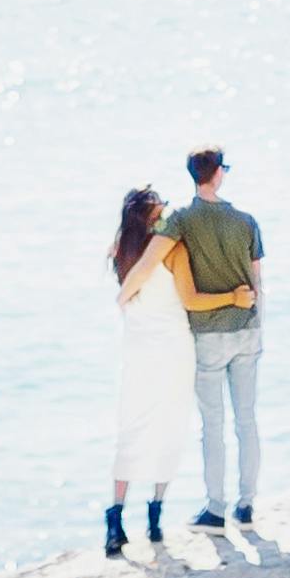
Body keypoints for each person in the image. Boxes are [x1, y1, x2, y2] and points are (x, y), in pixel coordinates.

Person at [165, 147, 263, 531]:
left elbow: (156, 244)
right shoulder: (247, 221)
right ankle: (247, 505)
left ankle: (216, 509)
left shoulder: (182, 220)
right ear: (219, 173)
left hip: (208, 335)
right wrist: (260, 327)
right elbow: (259, 284)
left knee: (214, 425)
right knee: (247, 419)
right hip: (247, 329)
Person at [103, 186, 191, 557]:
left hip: (136, 347)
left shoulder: (120, 250)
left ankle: (115, 519)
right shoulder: (172, 249)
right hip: (172, 345)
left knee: (131, 428)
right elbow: (187, 296)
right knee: (170, 424)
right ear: (154, 216)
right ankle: (155, 517)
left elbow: (127, 297)